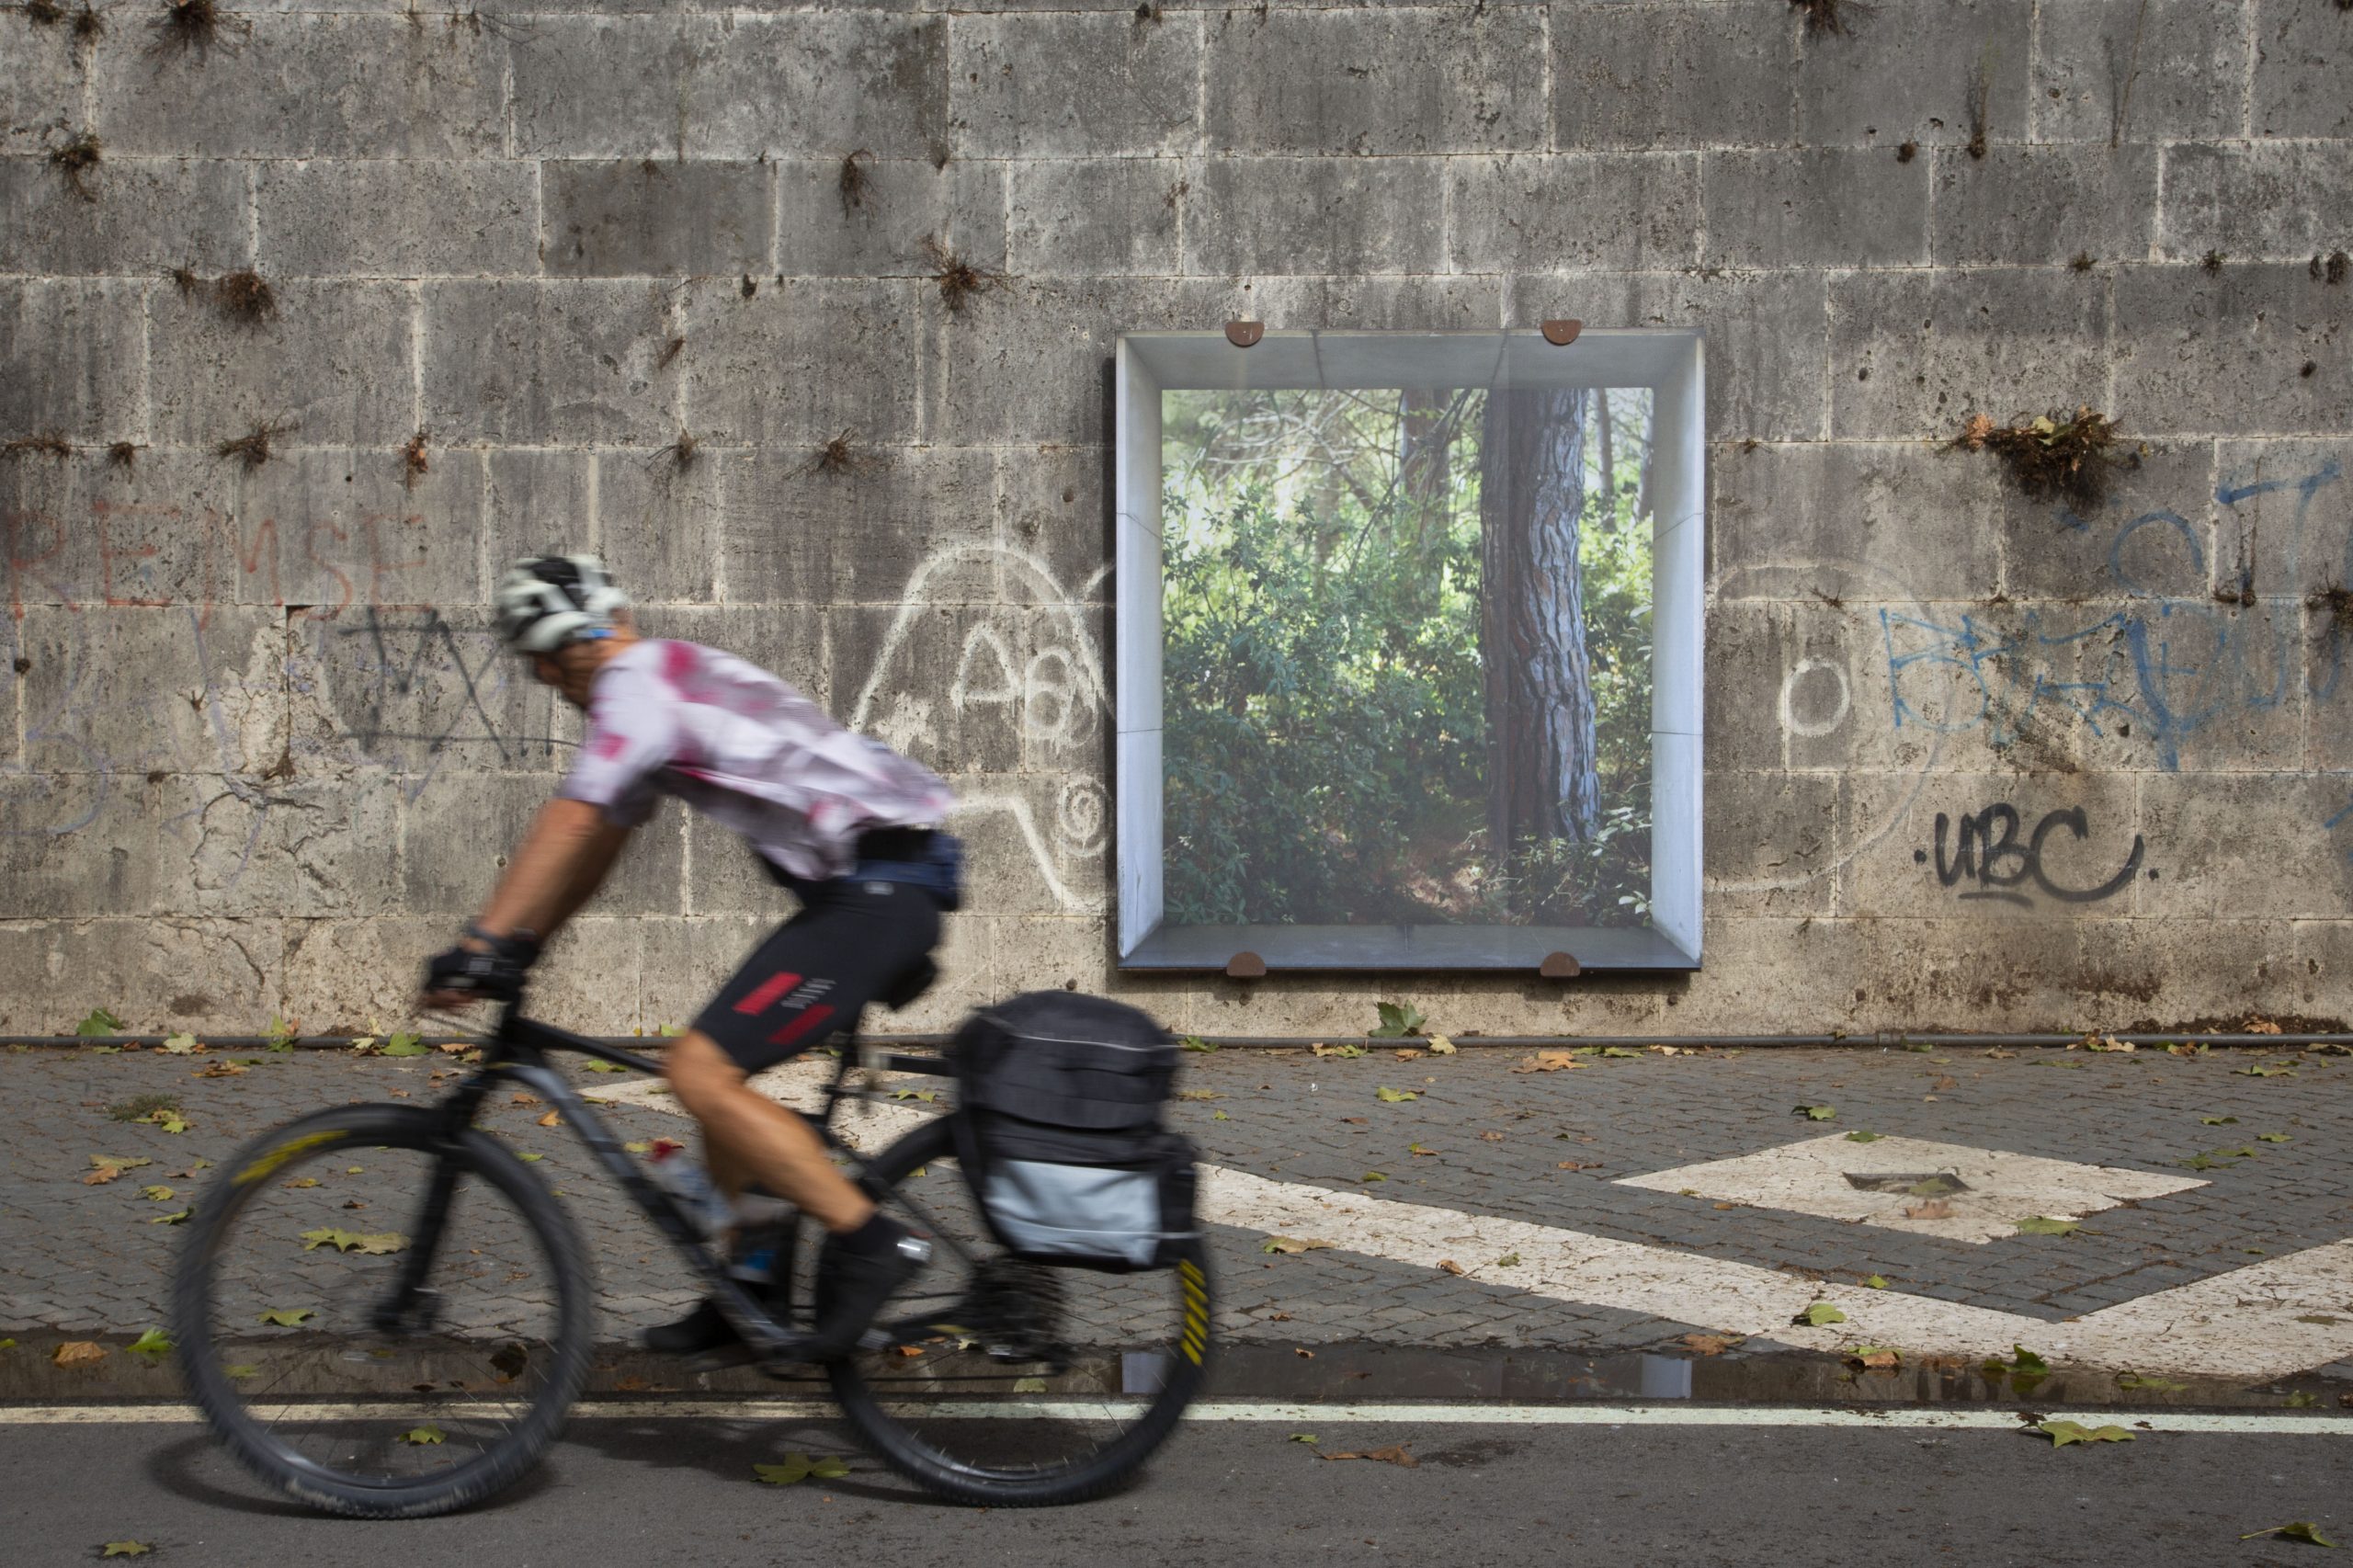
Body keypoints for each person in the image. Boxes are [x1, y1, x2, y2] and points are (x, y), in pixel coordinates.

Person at [417, 552, 961, 1360]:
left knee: (697, 1072)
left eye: (541, 656)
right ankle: (751, 1290)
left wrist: (480, 943)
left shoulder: (634, 686)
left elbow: (571, 818)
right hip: (868, 890)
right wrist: (529, 942)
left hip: (880, 891)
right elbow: (600, 840)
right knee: (718, 1083)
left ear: (574, 641)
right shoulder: (656, 679)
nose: (541, 677)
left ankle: (875, 1241)